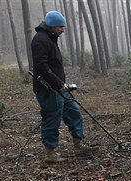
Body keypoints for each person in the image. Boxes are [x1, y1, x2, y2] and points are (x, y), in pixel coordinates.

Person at [31, 10, 95, 163]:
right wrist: (58, 84)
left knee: (73, 112)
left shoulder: (50, 38)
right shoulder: (40, 40)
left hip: (60, 88)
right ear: (52, 25)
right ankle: (51, 153)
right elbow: (42, 67)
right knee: (52, 118)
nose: (63, 30)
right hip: (48, 89)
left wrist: (63, 85)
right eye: (60, 26)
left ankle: (79, 144)